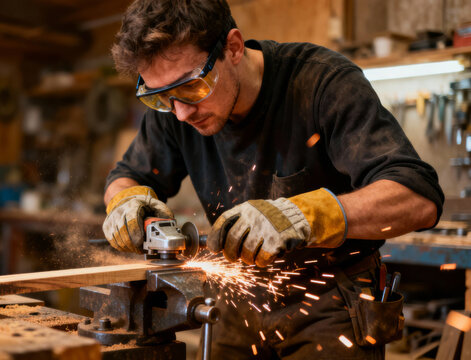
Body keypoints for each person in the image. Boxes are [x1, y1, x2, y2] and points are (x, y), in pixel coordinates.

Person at [101, 0, 444, 359]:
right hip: (237, 295)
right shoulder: (175, 103)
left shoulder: (322, 82)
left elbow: (418, 198)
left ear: (233, 48)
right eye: (161, 97)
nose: (181, 112)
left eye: (192, 87)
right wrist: (126, 202)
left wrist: (303, 216)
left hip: (331, 299)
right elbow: (127, 176)